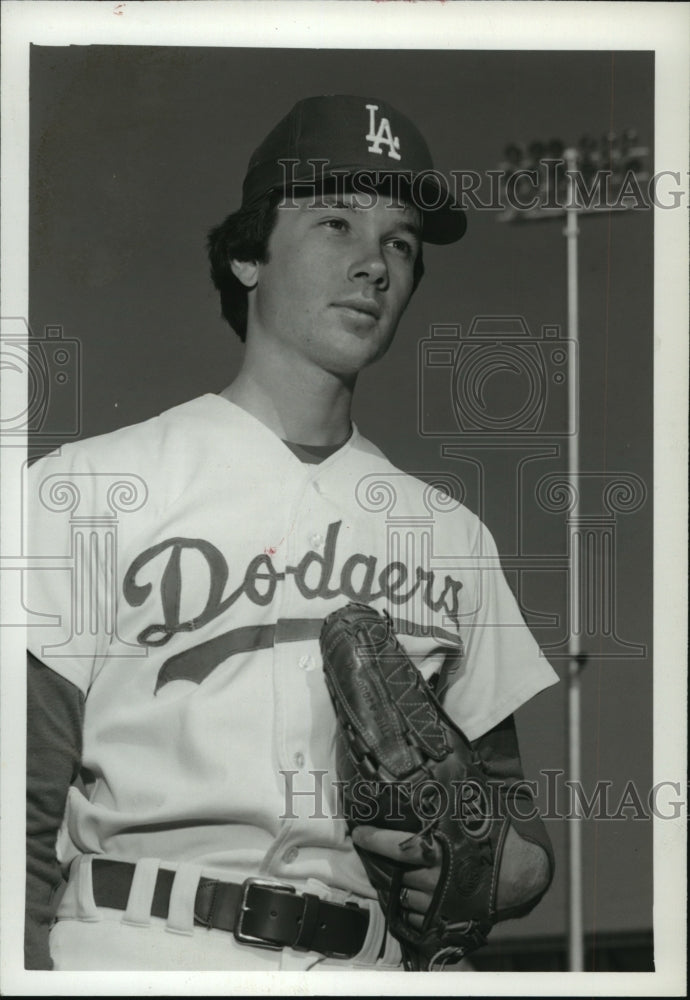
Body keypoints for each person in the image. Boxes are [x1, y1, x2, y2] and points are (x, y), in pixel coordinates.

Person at [25, 94, 558, 972]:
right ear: (245, 256)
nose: (375, 265)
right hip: (140, 950)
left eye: (400, 243)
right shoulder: (91, 486)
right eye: (336, 223)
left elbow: (511, 819)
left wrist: (505, 872)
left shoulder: (449, 534)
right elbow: (24, 798)